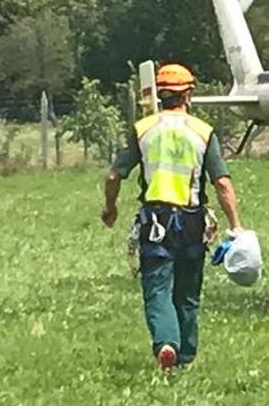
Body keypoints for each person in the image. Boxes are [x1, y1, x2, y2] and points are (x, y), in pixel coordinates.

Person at [101, 63, 245, 372]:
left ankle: (166, 343)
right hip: (193, 221)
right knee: (188, 292)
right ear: (188, 93)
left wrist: (110, 207)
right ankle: (186, 358)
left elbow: (114, 175)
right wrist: (236, 226)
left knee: (157, 289)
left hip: (155, 221)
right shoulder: (203, 132)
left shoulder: (144, 129)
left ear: (160, 94)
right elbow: (222, 182)